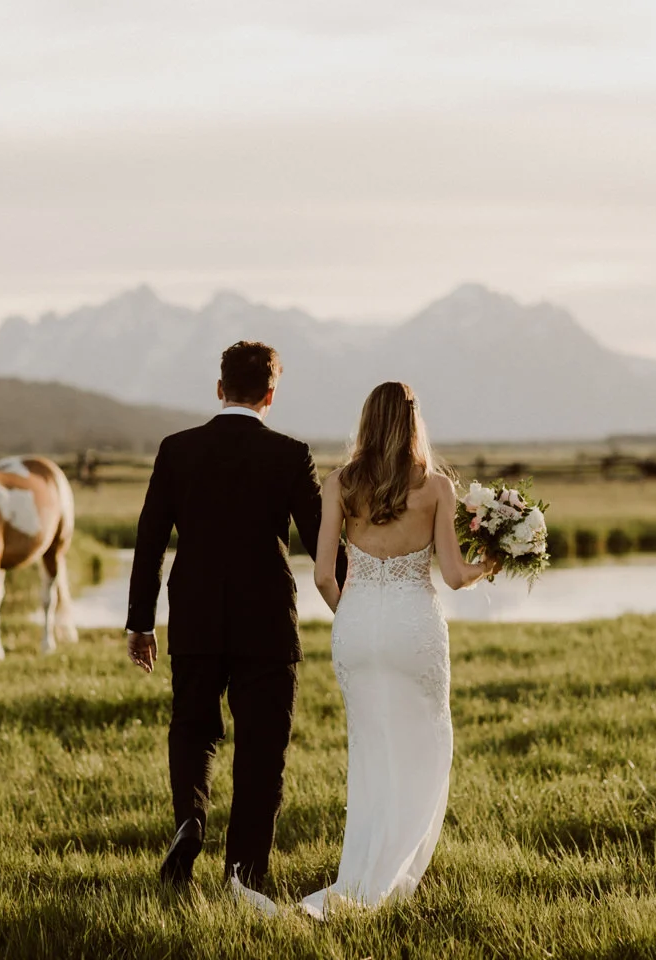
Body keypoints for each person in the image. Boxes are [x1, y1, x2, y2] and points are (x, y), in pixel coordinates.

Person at [123, 341, 344, 910]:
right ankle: (243, 878)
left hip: (193, 614)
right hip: (266, 622)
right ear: (270, 394)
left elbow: (149, 543)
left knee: (193, 729)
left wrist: (140, 623)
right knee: (261, 752)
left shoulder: (177, 450)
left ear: (219, 389)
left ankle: (190, 822)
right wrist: (362, 596)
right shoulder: (290, 454)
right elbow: (323, 543)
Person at [299, 381, 498, 919]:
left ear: (367, 421)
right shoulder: (435, 487)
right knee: (425, 747)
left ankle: (360, 873)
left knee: (370, 751)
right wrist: (492, 565)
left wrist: (355, 615)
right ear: (414, 423)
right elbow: (455, 577)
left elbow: (321, 575)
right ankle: (391, 874)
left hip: (358, 625)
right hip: (414, 626)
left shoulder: (339, 484)